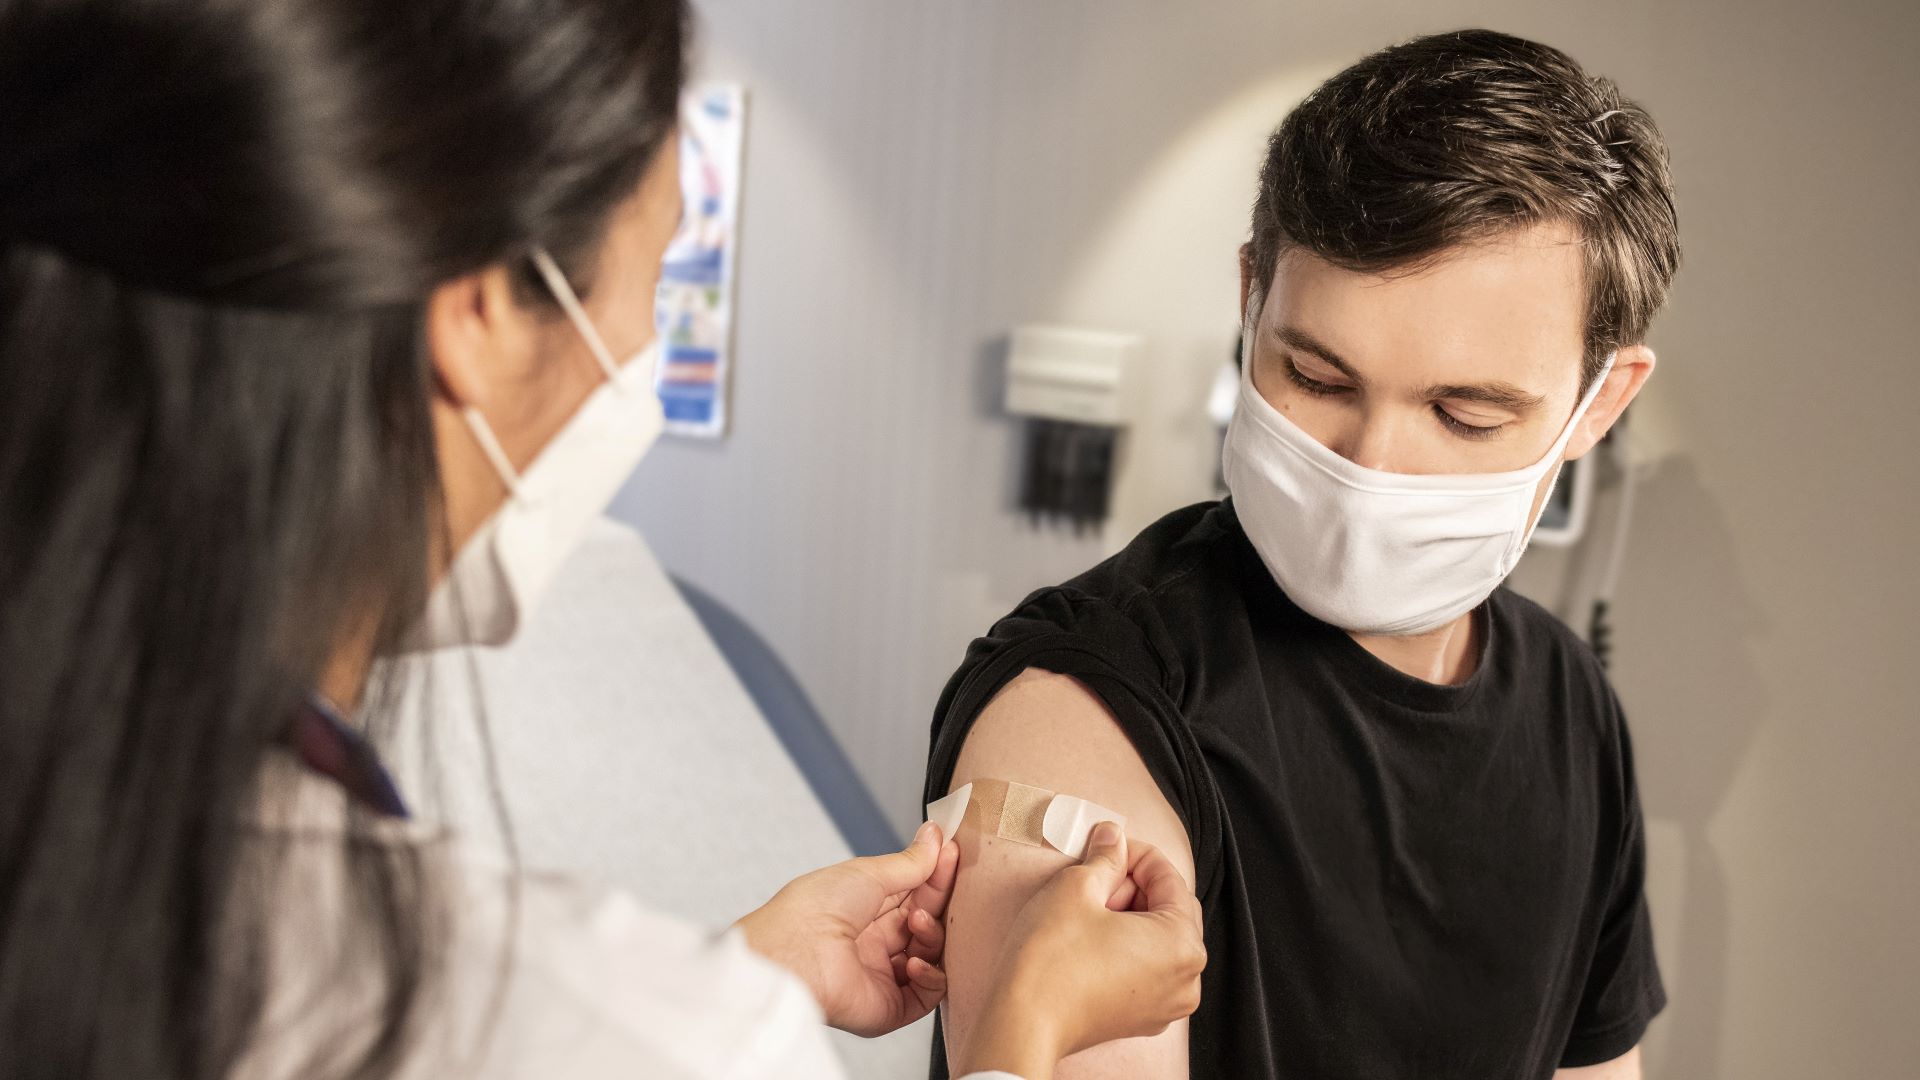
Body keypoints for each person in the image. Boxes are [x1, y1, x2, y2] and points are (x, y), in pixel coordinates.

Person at [0, 2, 1205, 1079]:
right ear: (478, 310)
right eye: (666, 266)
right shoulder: (623, 1025)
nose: (645, 341)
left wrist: (738, 974)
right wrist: (1019, 1038)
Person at [925, 29, 1678, 1080]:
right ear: (1252, 300)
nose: (1369, 468)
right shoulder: (1089, 702)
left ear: (1601, 402)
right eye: (1317, 376)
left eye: (1463, 414)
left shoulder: (1573, 710)